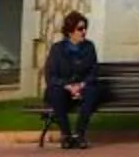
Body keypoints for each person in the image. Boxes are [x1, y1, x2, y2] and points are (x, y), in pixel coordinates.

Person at [43, 11, 106, 149]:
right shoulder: (57, 49)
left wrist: (82, 85)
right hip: (64, 89)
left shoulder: (89, 47)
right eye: (80, 29)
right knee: (55, 92)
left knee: (93, 91)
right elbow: (51, 75)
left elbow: (93, 71)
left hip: (84, 87)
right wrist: (68, 86)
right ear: (70, 31)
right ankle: (66, 135)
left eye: (85, 28)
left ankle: (79, 134)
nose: (83, 32)